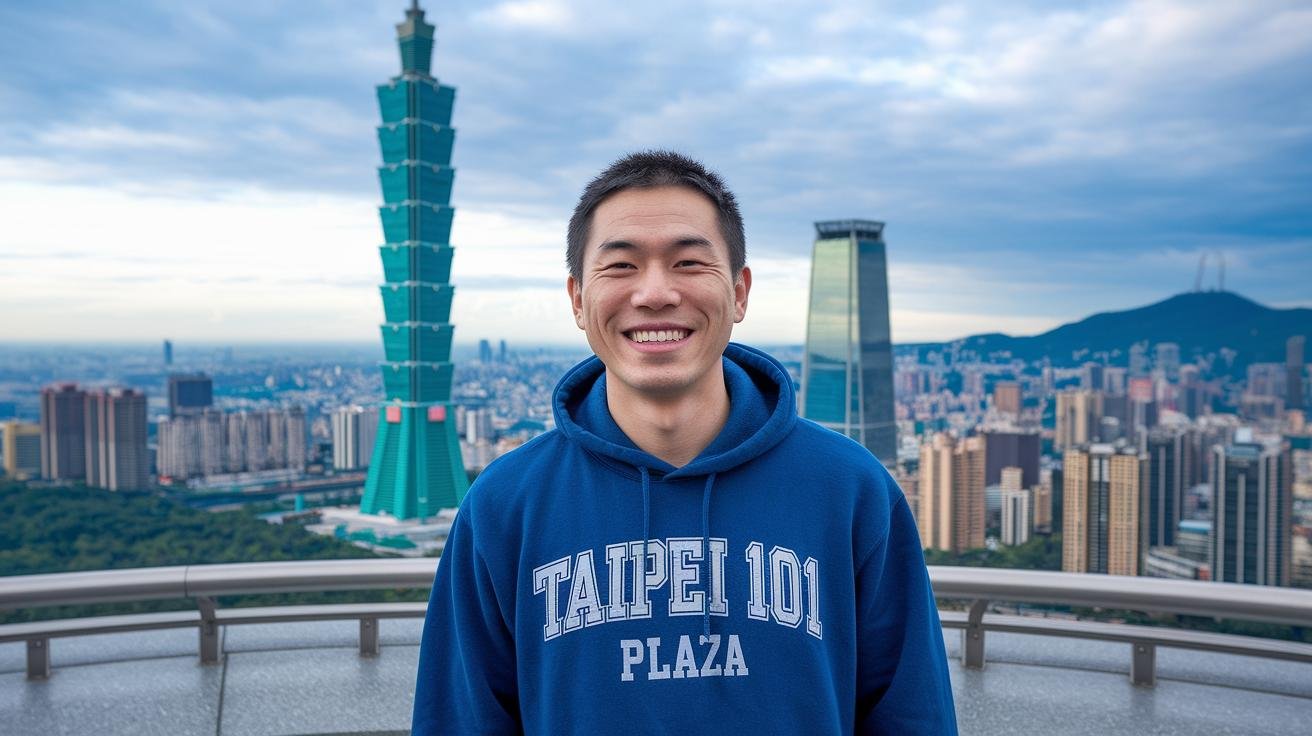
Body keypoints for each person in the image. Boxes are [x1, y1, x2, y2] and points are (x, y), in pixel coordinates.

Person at [412, 150, 957, 735]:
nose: (655, 293)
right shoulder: (505, 505)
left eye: (689, 262)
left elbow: (912, 715)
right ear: (577, 300)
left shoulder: (849, 489)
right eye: (620, 266)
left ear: (739, 292)